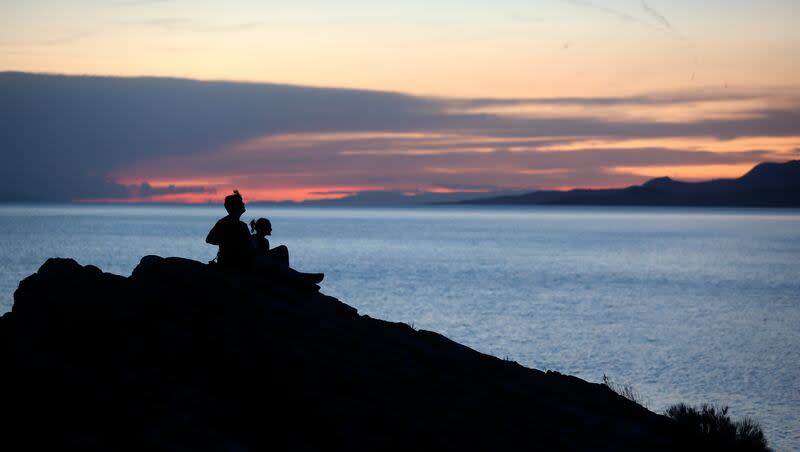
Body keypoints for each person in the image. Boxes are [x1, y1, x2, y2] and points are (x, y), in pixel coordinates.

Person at [206, 190, 251, 272]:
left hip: (235, 261)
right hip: (232, 263)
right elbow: (209, 239)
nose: (243, 204)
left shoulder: (241, 225)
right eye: (240, 202)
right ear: (235, 206)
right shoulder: (225, 223)